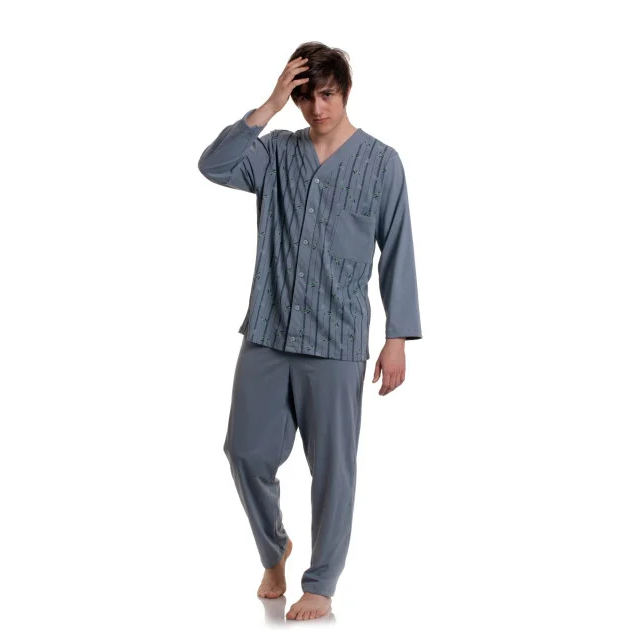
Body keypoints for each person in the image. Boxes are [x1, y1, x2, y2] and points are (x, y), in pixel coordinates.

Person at [197, 41, 422, 621]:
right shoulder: (274, 153)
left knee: (333, 470)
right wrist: (269, 105)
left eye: (327, 94)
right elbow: (213, 165)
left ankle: (321, 583)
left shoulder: (382, 163)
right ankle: (274, 550)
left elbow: (397, 249)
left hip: (337, 342)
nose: (317, 108)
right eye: (305, 97)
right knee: (244, 452)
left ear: (345, 92)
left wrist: (397, 336)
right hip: (268, 332)